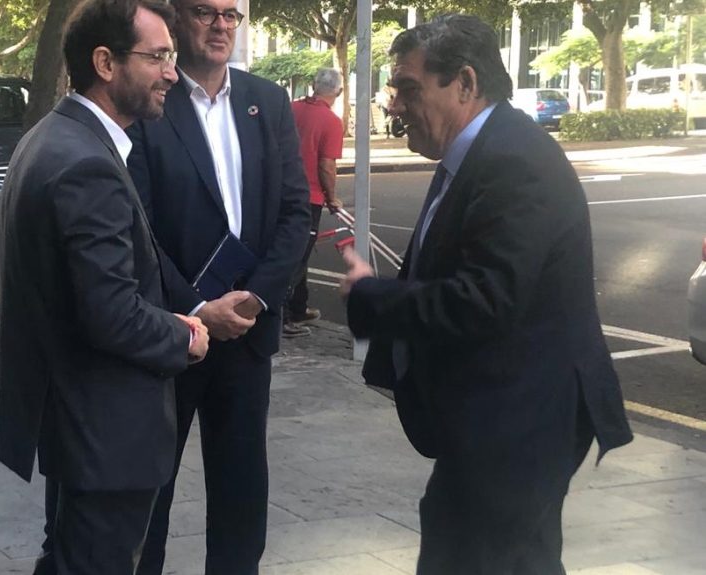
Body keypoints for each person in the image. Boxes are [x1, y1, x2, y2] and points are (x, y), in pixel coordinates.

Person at [339, 15, 633, 575]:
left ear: (465, 84)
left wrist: (372, 296)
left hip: (520, 418)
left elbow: (484, 299)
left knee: (486, 555)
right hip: (495, 414)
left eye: (408, 87)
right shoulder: (478, 153)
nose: (394, 104)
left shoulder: (513, 161)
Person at [0, 0, 210, 573]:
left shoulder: (53, 137)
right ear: (105, 63)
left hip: (76, 423)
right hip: (105, 432)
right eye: (159, 56)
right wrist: (184, 337)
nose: (172, 72)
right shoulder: (85, 161)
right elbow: (111, 313)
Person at [126, 0, 311, 571]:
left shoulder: (268, 100)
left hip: (248, 331)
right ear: (179, 17)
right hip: (175, 331)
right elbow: (140, 226)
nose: (222, 25)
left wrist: (256, 297)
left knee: (240, 490)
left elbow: (294, 212)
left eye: (232, 14)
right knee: (148, 491)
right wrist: (199, 307)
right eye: (207, 11)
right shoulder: (154, 98)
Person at [283, 67, 345, 338]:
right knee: (297, 258)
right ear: (339, 92)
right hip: (309, 198)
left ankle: (298, 306)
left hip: (281, 192)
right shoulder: (331, 121)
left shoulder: (291, 109)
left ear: (312, 84)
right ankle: (283, 316)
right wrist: (332, 197)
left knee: (299, 253)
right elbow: (326, 165)